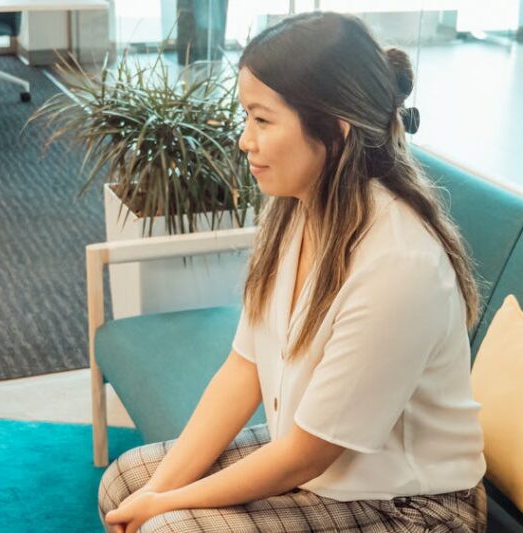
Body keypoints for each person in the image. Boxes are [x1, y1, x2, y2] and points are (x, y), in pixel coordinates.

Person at [98, 11, 487, 533]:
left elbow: (307, 454)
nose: (244, 139)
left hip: (412, 503)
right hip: (325, 466)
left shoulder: (398, 264)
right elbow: (244, 369)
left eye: (262, 119)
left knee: (170, 527)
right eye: (246, 117)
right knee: (127, 483)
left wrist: (164, 507)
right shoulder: (293, 209)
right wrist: (158, 490)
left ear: (336, 129)